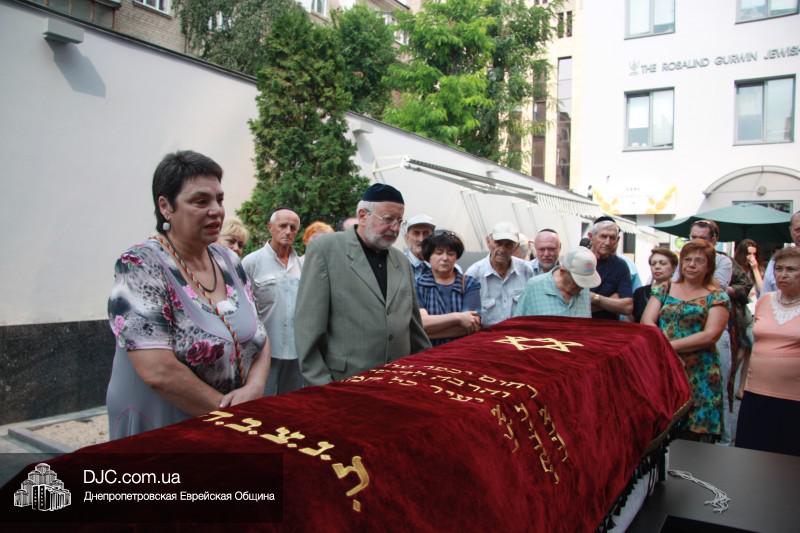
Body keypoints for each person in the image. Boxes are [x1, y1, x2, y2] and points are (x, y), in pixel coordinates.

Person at [106, 151, 271, 440]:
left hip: (229, 426)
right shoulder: (141, 264)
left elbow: (261, 336)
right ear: (165, 206)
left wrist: (255, 389)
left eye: (219, 199)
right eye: (200, 201)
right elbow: (158, 371)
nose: (216, 210)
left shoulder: (228, 260)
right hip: (165, 427)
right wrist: (232, 417)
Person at [295, 184, 431, 386]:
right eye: (388, 219)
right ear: (363, 215)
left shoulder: (401, 261)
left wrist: (426, 375)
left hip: (397, 382)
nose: (395, 228)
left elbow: (414, 328)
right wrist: (324, 387)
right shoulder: (326, 249)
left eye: (399, 221)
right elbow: (308, 327)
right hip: (345, 384)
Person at [642, 240, 731, 442]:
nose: (691, 264)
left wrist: (669, 348)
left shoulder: (717, 296)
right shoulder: (665, 288)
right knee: (658, 430)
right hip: (664, 365)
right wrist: (666, 352)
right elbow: (647, 321)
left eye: (699, 261)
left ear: (709, 266)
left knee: (693, 435)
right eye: (687, 259)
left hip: (700, 370)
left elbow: (711, 335)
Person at [735, 247, 800, 456]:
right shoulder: (765, 301)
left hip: (794, 398)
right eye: (779, 269)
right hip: (756, 393)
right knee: (751, 455)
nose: (783, 274)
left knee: (789, 461)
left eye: (791, 269)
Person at [242, 208, 303, 396]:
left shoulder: (302, 265)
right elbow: (242, 309)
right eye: (283, 226)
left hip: (296, 352)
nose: (288, 231)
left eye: (293, 227)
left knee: (291, 403)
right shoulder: (251, 263)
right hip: (262, 352)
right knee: (262, 403)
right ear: (270, 227)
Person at [415, 230, 481, 345]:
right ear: (429, 256)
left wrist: (430, 330)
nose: (445, 258)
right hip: (429, 351)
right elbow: (421, 324)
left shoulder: (469, 283)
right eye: (439, 253)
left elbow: (470, 325)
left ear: (456, 257)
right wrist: (458, 317)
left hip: (462, 349)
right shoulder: (418, 285)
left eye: (450, 253)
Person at [465, 222, 534, 327]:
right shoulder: (474, 274)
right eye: (498, 243)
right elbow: (470, 317)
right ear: (488, 242)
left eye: (508, 245)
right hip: (488, 334)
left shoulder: (526, 270)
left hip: (519, 332)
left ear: (516, 247)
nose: (502, 250)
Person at [514, 247, 600, 318]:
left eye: (586, 281)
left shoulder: (583, 288)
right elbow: (517, 324)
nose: (582, 287)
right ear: (562, 271)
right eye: (578, 281)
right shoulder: (535, 286)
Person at [586, 219, 633, 319]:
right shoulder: (577, 260)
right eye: (603, 236)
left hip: (608, 325)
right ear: (590, 237)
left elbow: (627, 307)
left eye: (612, 238)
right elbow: (570, 302)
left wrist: (594, 298)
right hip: (577, 323)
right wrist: (611, 301)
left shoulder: (620, 265)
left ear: (618, 240)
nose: (607, 242)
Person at [632, 247, 678, 323]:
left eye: (662, 263)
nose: (657, 267)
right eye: (653, 264)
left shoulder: (679, 292)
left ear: (674, 267)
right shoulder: (639, 292)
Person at [762, 210, 800, 293]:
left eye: (791, 269)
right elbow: (766, 292)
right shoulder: (777, 260)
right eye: (798, 230)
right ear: (790, 230)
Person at [403, 214, 436, 280]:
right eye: (416, 233)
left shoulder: (442, 264)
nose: (421, 239)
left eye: (426, 233)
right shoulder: (398, 265)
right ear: (407, 237)